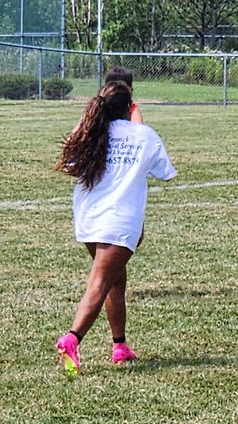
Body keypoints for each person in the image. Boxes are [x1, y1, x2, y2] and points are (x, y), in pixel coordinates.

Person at [53, 80, 176, 376]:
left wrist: (85, 122)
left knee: (115, 280)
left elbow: (69, 165)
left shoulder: (92, 132)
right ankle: (72, 338)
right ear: (129, 107)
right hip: (120, 222)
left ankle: (119, 345)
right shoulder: (144, 135)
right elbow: (165, 173)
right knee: (99, 283)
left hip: (88, 218)